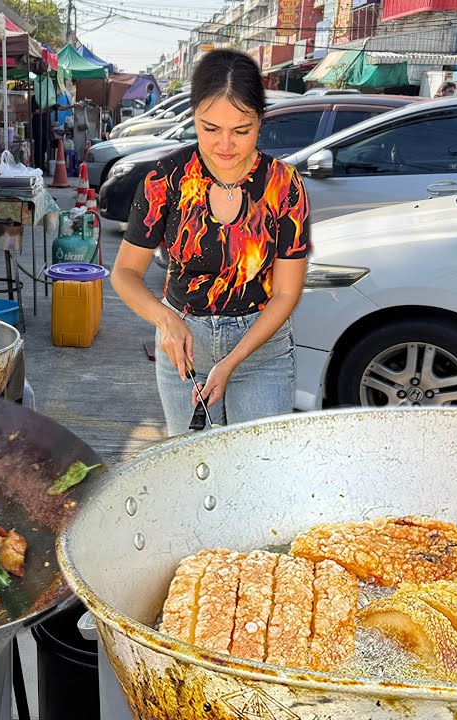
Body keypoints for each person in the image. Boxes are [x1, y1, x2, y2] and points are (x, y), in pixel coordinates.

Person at [111, 49, 310, 435]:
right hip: (184, 347)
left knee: (256, 471)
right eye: (210, 128)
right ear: (193, 117)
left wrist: (232, 359)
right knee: (195, 475)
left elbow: (286, 292)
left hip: (260, 351)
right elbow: (125, 273)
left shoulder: (284, 185)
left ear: (260, 121)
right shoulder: (165, 179)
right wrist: (164, 318)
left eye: (242, 130)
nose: (225, 145)